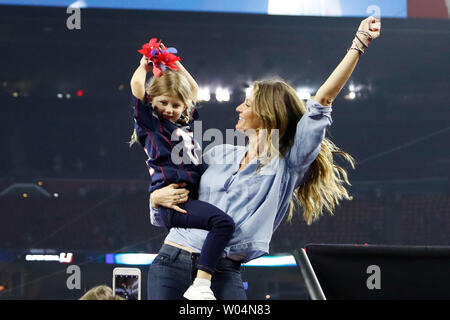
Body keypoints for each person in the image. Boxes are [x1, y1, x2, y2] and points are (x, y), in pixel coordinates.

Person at [148, 16, 381, 300]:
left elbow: (322, 102)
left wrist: (359, 44)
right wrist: (155, 200)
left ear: (265, 112)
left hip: (223, 272)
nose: (237, 108)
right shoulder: (218, 152)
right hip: (171, 259)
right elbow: (175, 185)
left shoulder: (288, 162)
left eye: (246, 103)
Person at [129, 44, 236, 300]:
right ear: (151, 102)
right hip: (173, 200)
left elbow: (194, 91)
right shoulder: (152, 125)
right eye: (163, 102)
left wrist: (174, 63)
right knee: (222, 223)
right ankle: (202, 284)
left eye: (176, 105)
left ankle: (201, 280)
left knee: (221, 223)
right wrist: (145, 66)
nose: (169, 109)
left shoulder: (186, 126)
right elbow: (137, 88)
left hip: (187, 197)